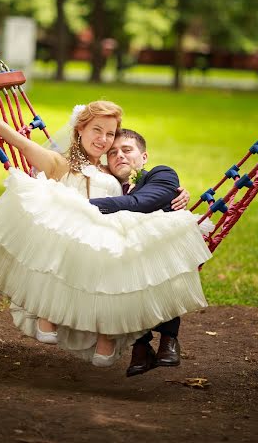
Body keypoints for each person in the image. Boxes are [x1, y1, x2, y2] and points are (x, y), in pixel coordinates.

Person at [0, 98, 213, 367]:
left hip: (108, 244)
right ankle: (50, 313)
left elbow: (139, 199)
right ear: (80, 129)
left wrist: (179, 194)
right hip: (74, 236)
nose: (104, 140)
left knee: (121, 265)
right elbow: (24, 144)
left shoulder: (114, 174)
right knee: (69, 244)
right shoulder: (62, 164)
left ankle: (110, 338)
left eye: (110, 134)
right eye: (97, 130)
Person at [89, 128, 187, 377]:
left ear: (144, 157)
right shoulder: (107, 187)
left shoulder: (161, 174)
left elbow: (138, 203)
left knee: (157, 260)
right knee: (115, 272)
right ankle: (141, 346)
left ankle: (168, 339)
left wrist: (80, 205)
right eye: (112, 153)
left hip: (162, 251)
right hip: (122, 258)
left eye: (127, 150)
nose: (119, 155)